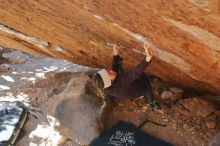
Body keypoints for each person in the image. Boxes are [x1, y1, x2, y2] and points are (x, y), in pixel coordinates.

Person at [93, 44, 160, 109]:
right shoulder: (121, 81)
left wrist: (115, 53)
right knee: (145, 81)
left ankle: (119, 65)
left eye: (108, 71)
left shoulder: (104, 85)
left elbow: (114, 71)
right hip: (136, 91)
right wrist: (148, 58)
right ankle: (152, 102)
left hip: (126, 90)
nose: (111, 72)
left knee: (122, 74)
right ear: (110, 82)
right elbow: (135, 73)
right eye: (110, 74)